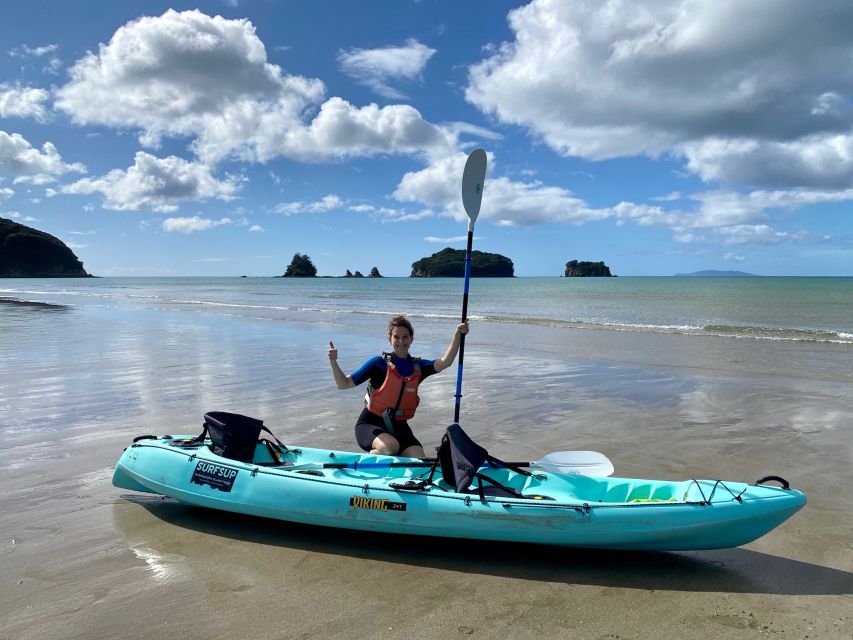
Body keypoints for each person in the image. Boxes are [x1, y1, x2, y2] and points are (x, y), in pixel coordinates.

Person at [328, 315, 469, 457]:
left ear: (411, 339)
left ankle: (392, 467)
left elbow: (445, 362)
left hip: (399, 428)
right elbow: (343, 384)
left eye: (405, 337)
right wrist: (333, 362)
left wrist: (458, 335)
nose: (401, 341)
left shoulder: (417, 367)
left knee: (418, 458)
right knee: (390, 447)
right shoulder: (378, 364)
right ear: (390, 339)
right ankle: (368, 464)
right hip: (370, 424)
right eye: (396, 337)